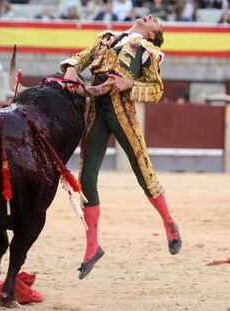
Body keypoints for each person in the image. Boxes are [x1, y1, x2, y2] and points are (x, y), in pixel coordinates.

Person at [61, 15, 182, 279]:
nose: (150, 16)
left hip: (122, 109)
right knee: (86, 178)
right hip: (96, 109)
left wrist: (130, 83)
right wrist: (71, 68)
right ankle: (92, 246)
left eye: (156, 22)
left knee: (142, 169)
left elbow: (157, 90)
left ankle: (169, 222)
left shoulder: (148, 50)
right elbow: (81, 57)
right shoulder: (105, 37)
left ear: (152, 35)